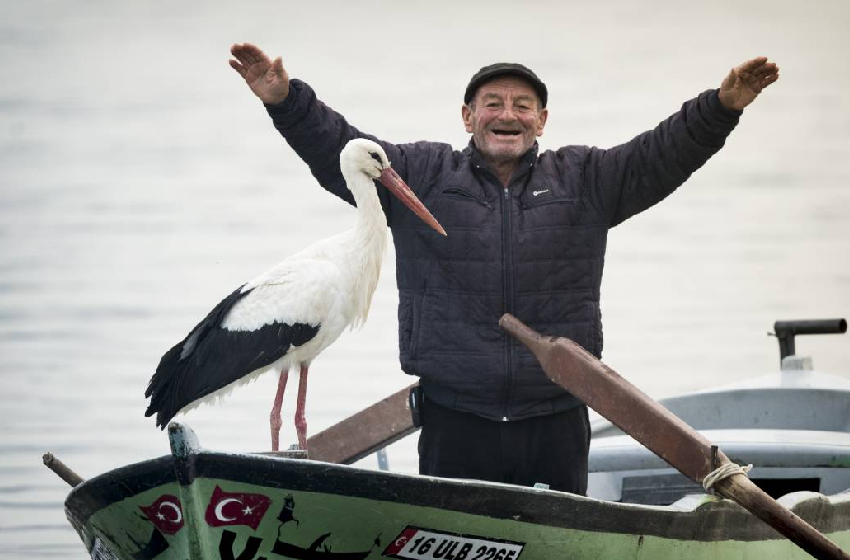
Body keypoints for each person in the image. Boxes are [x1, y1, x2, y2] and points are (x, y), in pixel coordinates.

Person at [228, 44, 779, 494]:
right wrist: (285, 100)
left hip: (557, 416)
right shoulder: (421, 173)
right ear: (467, 117)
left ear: (542, 120)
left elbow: (662, 154)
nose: (507, 114)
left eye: (522, 104)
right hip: (454, 420)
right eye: (492, 103)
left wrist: (722, 106)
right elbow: (340, 150)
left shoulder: (586, 178)